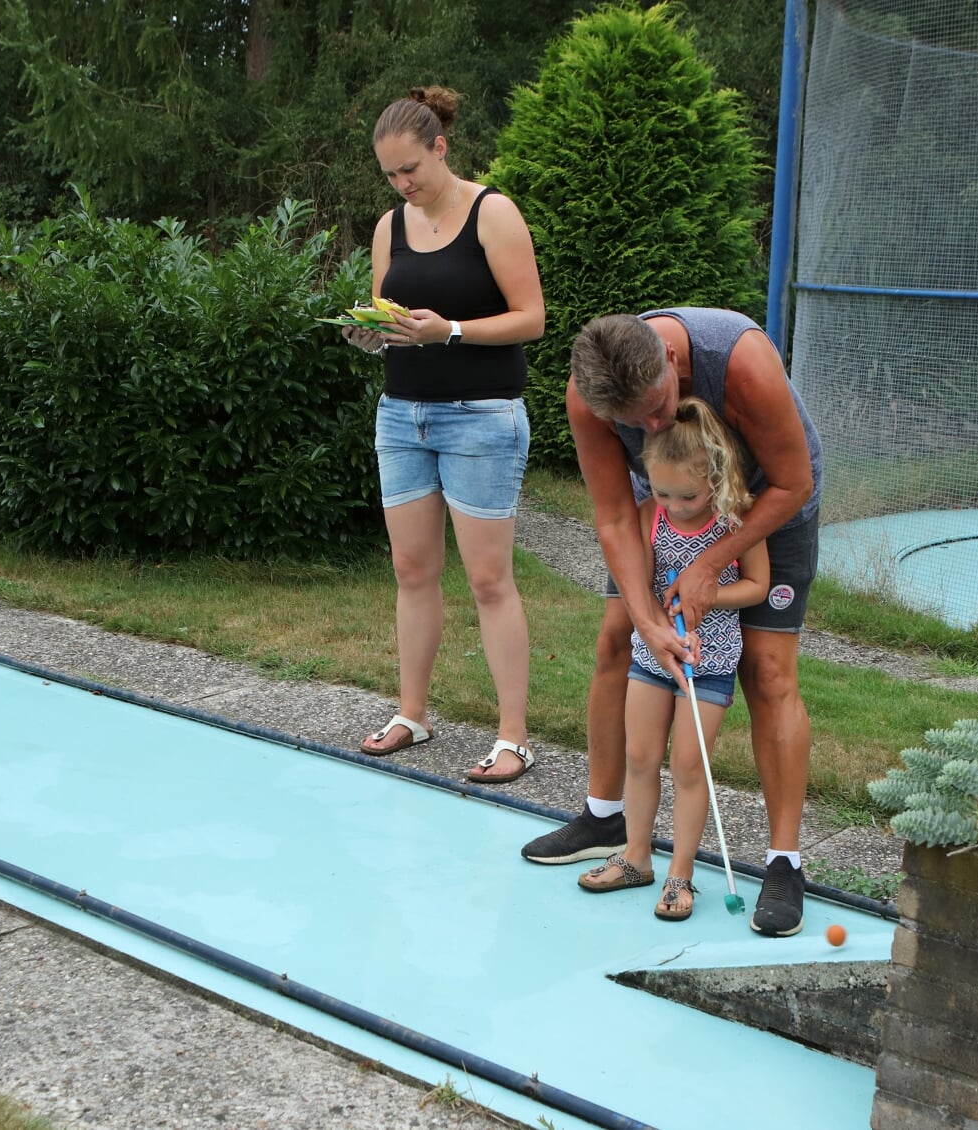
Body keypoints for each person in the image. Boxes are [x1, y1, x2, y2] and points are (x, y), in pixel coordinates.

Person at [519, 309, 823, 938]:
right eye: (635, 425)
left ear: (670, 359)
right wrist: (646, 617)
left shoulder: (741, 362)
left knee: (766, 670)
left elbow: (794, 483)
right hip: (665, 518)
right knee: (616, 639)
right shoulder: (590, 395)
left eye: (659, 407)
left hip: (767, 506)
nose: (654, 427)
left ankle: (784, 862)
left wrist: (712, 566)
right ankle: (608, 819)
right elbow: (611, 516)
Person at [339, 85, 545, 784]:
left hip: (481, 416)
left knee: (488, 580)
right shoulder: (389, 227)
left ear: (440, 148)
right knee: (412, 571)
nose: (403, 185)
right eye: (390, 176)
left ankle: (513, 736)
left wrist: (450, 329)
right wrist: (371, 335)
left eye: (411, 171)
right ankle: (413, 714)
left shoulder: (494, 213)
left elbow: (531, 318)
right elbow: (391, 320)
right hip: (402, 414)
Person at [573, 398, 767, 921]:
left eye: (688, 494)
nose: (675, 505)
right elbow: (639, 581)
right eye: (662, 492)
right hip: (654, 654)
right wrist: (659, 617)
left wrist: (707, 596)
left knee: (687, 766)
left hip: (712, 656)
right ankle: (636, 856)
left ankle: (681, 876)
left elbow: (758, 585)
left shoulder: (733, 523)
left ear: (715, 480)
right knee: (639, 757)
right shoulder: (648, 516)